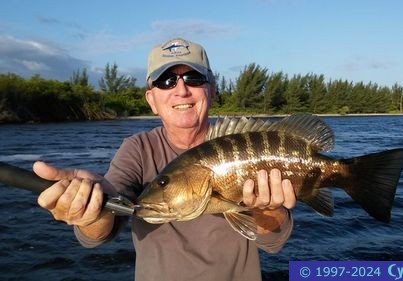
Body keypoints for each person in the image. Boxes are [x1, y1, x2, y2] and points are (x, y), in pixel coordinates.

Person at [34, 37, 296, 281]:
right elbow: (102, 230)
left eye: (193, 78)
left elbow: (273, 242)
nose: (181, 90)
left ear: (213, 90)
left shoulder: (245, 144)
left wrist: (267, 208)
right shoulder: (137, 149)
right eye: (166, 81)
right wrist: (89, 211)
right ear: (151, 99)